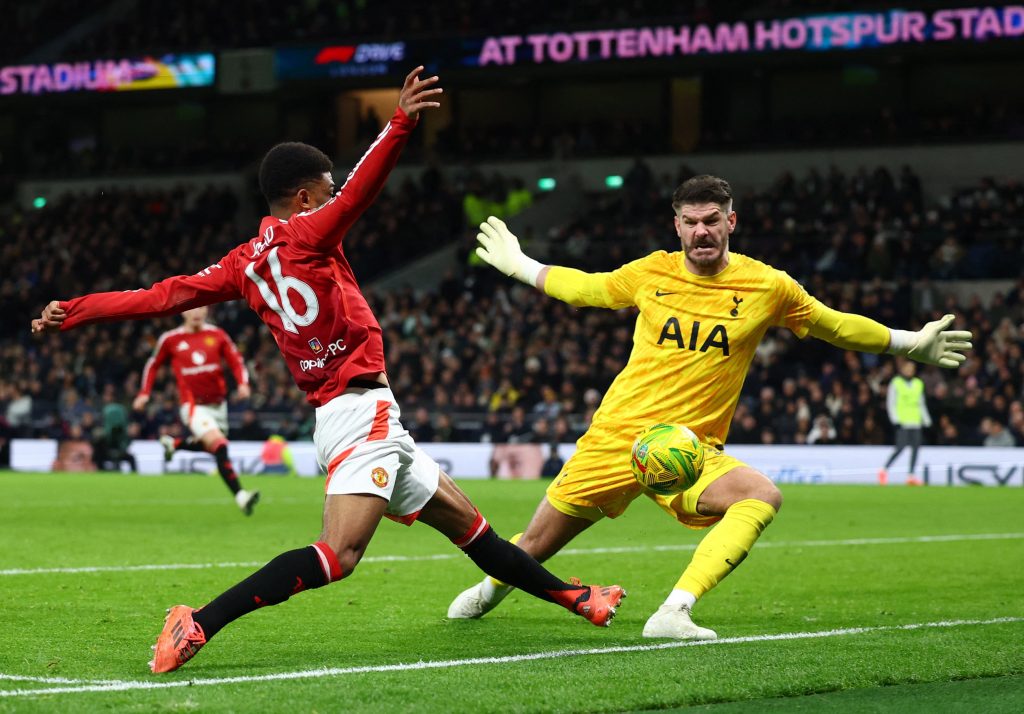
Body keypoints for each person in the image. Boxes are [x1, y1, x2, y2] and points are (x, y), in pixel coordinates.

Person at [32, 67, 624, 675]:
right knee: (338, 555)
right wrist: (400, 122)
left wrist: (74, 311)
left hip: (364, 415)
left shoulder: (240, 264)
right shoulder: (310, 234)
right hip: (357, 413)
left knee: (474, 531)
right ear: (306, 198)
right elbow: (363, 189)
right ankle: (198, 622)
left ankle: (581, 600)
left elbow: (161, 296)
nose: (335, 194)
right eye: (327, 188)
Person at [449, 175, 972, 640]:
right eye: (691, 222)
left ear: (731, 222)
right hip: (616, 438)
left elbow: (832, 323)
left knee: (760, 496)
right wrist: (522, 266)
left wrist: (907, 342)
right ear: (676, 226)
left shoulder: (767, 285)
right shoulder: (651, 273)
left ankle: (674, 611)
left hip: (690, 450)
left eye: (712, 220)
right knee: (535, 543)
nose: (702, 231)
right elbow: (590, 289)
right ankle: (493, 589)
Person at [134, 306, 259, 514]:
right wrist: (144, 393)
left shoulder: (217, 335)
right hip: (193, 406)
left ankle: (174, 443)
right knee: (219, 445)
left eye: (201, 307)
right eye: (192, 308)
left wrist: (243, 383)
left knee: (213, 446)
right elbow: (153, 364)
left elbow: (236, 360)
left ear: (207, 310)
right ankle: (240, 495)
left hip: (219, 406)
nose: (196, 312)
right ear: (183, 312)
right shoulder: (171, 339)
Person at [878, 360, 932, 486]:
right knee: (900, 447)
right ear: (902, 369)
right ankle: (883, 470)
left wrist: (927, 420)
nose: (910, 371)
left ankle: (911, 476)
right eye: (907, 368)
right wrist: (894, 419)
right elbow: (891, 402)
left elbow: (921, 403)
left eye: (912, 369)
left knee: (916, 449)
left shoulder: (918, 383)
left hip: (916, 421)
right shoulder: (896, 382)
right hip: (902, 421)